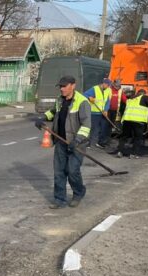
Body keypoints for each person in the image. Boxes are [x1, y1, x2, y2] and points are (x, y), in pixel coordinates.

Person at [35, 75, 92, 209]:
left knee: (72, 171)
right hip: (61, 142)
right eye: (60, 86)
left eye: (64, 86)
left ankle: (78, 193)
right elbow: (53, 112)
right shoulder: (60, 101)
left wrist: (77, 140)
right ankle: (59, 199)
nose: (61, 89)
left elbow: (86, 125)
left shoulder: (82, 102)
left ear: (73, 85)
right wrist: (42, 117)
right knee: (59, 172)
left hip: (76, 143)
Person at [116, 89, 148, 159]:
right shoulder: (144, 97)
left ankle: (120, 152)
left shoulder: (131, 99)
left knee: (124, 137)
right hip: (138, 121)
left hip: (127, 120)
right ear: (144, 93)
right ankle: (133, 154)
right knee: (138, 138)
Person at [83, 78, 112, 148]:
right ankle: (90, 143)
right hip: (94, 113)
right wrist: (89, 97)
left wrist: (106, 110)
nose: (108, 86)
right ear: (103, 83)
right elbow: (84, 95)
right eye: (107, 85)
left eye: (109, 85)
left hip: (102, 113)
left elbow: (107, 102)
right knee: (93, 128)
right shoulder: (95, 89)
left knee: (103, 128)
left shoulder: (108, 90)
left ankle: (100, 142)